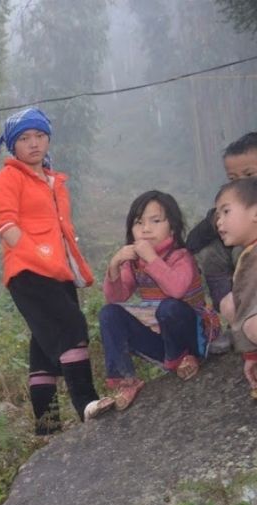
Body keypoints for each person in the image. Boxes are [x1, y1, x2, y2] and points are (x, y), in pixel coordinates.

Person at [0, 107, 113, 433]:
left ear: (48, 139)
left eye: (40, 136)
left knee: (43, 344)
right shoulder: (8, 177)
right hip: (28, 271)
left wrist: (75, 268)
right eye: (24, 138)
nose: (33, 144)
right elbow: (5, 225)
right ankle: (86, 402)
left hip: (58, 271)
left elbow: (63, 230)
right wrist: (35, 255)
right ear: (12, 145)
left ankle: (47, 424)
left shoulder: (55, 181)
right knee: (70, 325)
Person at [97, 191, 219, 411]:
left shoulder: (181, 257)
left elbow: (176, 290)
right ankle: (126, 380)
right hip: (162, 344)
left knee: (169, 307)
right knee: (109, 313)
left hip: (194, 337)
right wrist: (114, 265)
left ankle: (185, 357)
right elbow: (116, 297)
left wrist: (152, 258)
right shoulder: (134, 263)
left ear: (172, 227)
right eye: (138, 222)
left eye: (155, 221)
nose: (146, 229)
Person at [186, 131, 257, 353]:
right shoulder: (231, 204)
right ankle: (234, 326)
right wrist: (218, 220)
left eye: (249, 174)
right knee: (210, 254)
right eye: (233, 179)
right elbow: (193, 241)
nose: (241, 184)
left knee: (242, 253)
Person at [215, 177, 257, 392]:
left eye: (226, 211)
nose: (219, 221)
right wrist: (250, 355)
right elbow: (244, 305)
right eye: (217, 215)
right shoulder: (246, 255)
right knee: (230, 304)